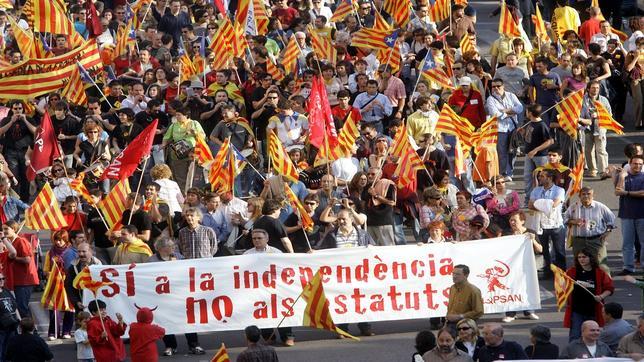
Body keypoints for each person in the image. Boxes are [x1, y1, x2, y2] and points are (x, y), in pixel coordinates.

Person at [564, 248, 614, 341]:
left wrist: (601, 296)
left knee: (593, 335)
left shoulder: (599, 272)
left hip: (593, 310)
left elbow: (609, 288)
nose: (581, 259)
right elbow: (563, 285)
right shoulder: (571, 272)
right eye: (579, 257)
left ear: (591, 258)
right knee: (575, 335)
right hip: (576, 310)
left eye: (584, 257)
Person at [564, 187, 616, 272]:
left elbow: (611, 220)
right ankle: (582, 284)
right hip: (578, 241)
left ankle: (605, 285)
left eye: (588, 194)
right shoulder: (573, 207)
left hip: (596, 240)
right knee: (580, 265)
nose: (586, 196)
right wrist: (574, 221)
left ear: (593, 196)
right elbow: (564, 220)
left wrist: (608, 231)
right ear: (579, 196)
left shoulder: (600, 207)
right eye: (583, 194)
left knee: (601, 265)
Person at [529, 169, 566, 274]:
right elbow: (530, 205)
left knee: (559, 251)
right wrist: (546, 204)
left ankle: (561, 273)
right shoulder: (536, 190)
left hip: (556, 225)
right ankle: (547, 271)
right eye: (539, 176)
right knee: (544, 250)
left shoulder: (559, 190)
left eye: (542, 176)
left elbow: (554, 204)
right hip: (541, 225)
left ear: (549, 178)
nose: (539, 178)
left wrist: (538, 203)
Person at [614, 155, 644, 275]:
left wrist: (626, 193)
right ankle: (628, 267)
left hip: (642, 215)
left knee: (643, 242)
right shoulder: (624, 176)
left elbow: (642, 193)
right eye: (635, 163)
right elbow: (617, 191)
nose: (637, 166)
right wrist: (621, 177)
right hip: (626, 214)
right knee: (627, 243)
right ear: (629, 164)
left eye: (640, 164)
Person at [3, 220, 38, 320]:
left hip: (24, 280)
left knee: (22, 308)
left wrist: (13, 257)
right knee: (20, 307)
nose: (4, 231)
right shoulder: (11, 242)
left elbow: (27, 259)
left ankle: (31, 331)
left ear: (13, 229)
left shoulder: (21, 241)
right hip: (16, 280)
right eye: (3, 229)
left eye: (6, 229)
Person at [445, 265, 484, 329]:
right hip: (450, 324)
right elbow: (450, 308)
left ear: (466, 275)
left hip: (466, 326)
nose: (454, 276)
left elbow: (478, 311)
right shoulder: (453, 288)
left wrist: (460, 316)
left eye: (458, 274)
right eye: (453, 274)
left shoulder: (473, 290)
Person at [0, 271, 18, 359]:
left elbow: (15, 307)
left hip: (12, 325)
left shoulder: (6, 291)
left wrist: (20, 320)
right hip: (1, 328)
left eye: (3, 278)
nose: (1, 280)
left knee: (9, 350)